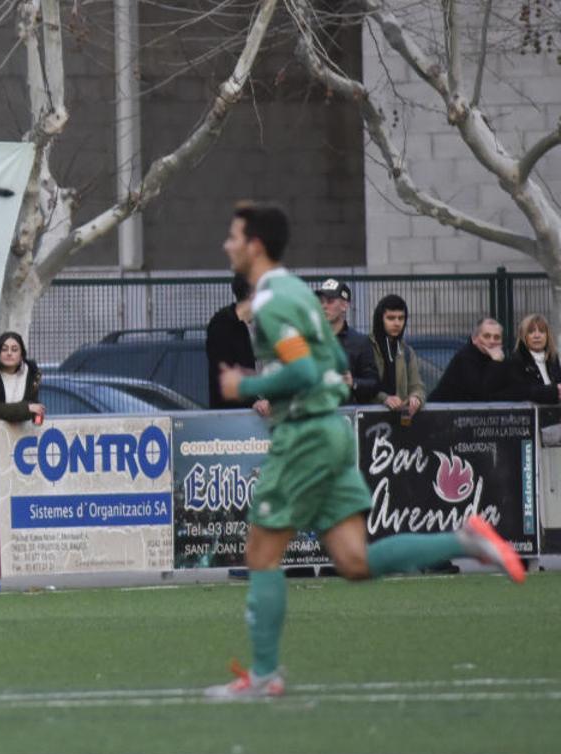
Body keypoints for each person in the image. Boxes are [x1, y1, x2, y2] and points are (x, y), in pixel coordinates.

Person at [210, 203, 523, 699]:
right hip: (329, 432)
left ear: (255, 245)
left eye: (232, 236)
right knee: (354, 561)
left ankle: (265, 675)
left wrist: (245, 383)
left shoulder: (272, 300)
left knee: (261, 554)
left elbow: (305, 370)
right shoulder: (296, 291)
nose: (226, 244)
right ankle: (465, 540)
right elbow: (332, 362)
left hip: (304, 438)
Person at [314, 278, 380, 404]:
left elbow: (374, 384)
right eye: (321, 301)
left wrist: (352, 382)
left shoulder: (360, 342)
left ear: (344, 305)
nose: (324, 306)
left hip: (347, 412)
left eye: (330, 301)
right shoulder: (311, 339)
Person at [427, 318, 513, 402]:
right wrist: (496, 363)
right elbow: (481, 394)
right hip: (439, 409)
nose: (492, 341)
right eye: (486, 336)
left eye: (497, 337)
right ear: (474, 339)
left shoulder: (499, 358)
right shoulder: (465, 358)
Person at [205, 273, 258, 410]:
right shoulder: (222, 325)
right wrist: (254, 402)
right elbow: (225, 376)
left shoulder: (259, 325)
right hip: (233, 415)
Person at [368, 294, 426, 418]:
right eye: (391, 318)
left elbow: (417, 386)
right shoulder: (367, 346)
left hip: (400, 421)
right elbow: (363, 386)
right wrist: (384, 398)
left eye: (401, 318)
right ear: (380, 319)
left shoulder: (407, 351)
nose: (397, 323)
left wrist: (416, 397)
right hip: (367, 419)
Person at [505, 313, 561, 404]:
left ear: (547, 335)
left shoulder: (553, 358)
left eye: (542, 331)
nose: (537, 336)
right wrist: (554, 391)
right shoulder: (516, 361)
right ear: (524, 336)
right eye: (531, 332)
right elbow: (522, 391)